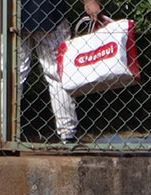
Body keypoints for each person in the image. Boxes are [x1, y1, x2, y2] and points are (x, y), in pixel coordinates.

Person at [18, 0, 102, 143]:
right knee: (57, 74)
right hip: (46, 12)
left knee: (12, 75)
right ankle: (67, 133)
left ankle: (1, 132)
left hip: (16, 14)